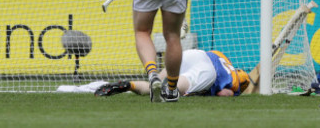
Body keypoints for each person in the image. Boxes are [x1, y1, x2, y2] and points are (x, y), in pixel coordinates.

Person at [95, 49, 249, 97]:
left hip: (194, 54)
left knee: (154, 84)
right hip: (205, 71)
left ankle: (131, 84)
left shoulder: (224, 59)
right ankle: (130, 85)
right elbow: (224, 94)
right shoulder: (234, 83)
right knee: (166, 92)